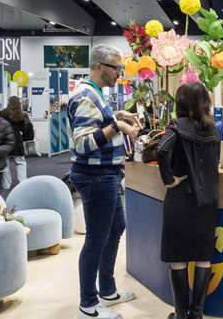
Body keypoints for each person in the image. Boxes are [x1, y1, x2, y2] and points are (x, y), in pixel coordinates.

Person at [69, 45, 142, 319]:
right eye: (115, 67)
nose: (119, 73)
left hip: (106, 175)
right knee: (96, 239)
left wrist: (118, 115)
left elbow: (96, 123)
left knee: (116, 228)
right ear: (99, 67)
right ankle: (88, 305)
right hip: (95, 176)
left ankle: (107, 291)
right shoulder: (86, 95)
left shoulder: (95, 92)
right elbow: (83, 143)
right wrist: (118, 127)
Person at [158, 82, 221, 319]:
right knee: (203, 256)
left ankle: (181, 314)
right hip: (208, 201)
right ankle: (197, 314)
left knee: (178, 259)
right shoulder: (214, 130)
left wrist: (169, 179)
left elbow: (162, 150)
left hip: (180, 199)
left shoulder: (176, 126)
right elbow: (216, 162)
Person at [0, 95, 34, 189]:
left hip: (5, 140)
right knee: (20, 162)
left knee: (5, 164)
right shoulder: (21, 115)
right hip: (17, 140)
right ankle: (23, 183)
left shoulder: (2, 113)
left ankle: (6, 184)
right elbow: (23, 128)